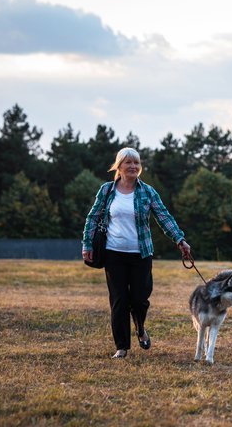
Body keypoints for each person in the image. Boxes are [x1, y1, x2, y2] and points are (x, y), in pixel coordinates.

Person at [82, 147, 192, 359]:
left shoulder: (147, 191)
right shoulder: (106, 190)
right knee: (119, 300)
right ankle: (122, 347)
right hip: (113, 253)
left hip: (141, 253)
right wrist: (87, 244)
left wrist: (180, 239)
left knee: (140, 298)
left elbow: (164, 217)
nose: (133, 167)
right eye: (128, 163)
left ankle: (140, 328)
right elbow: (92, 218)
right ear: (119, 166)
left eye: (136, 163)